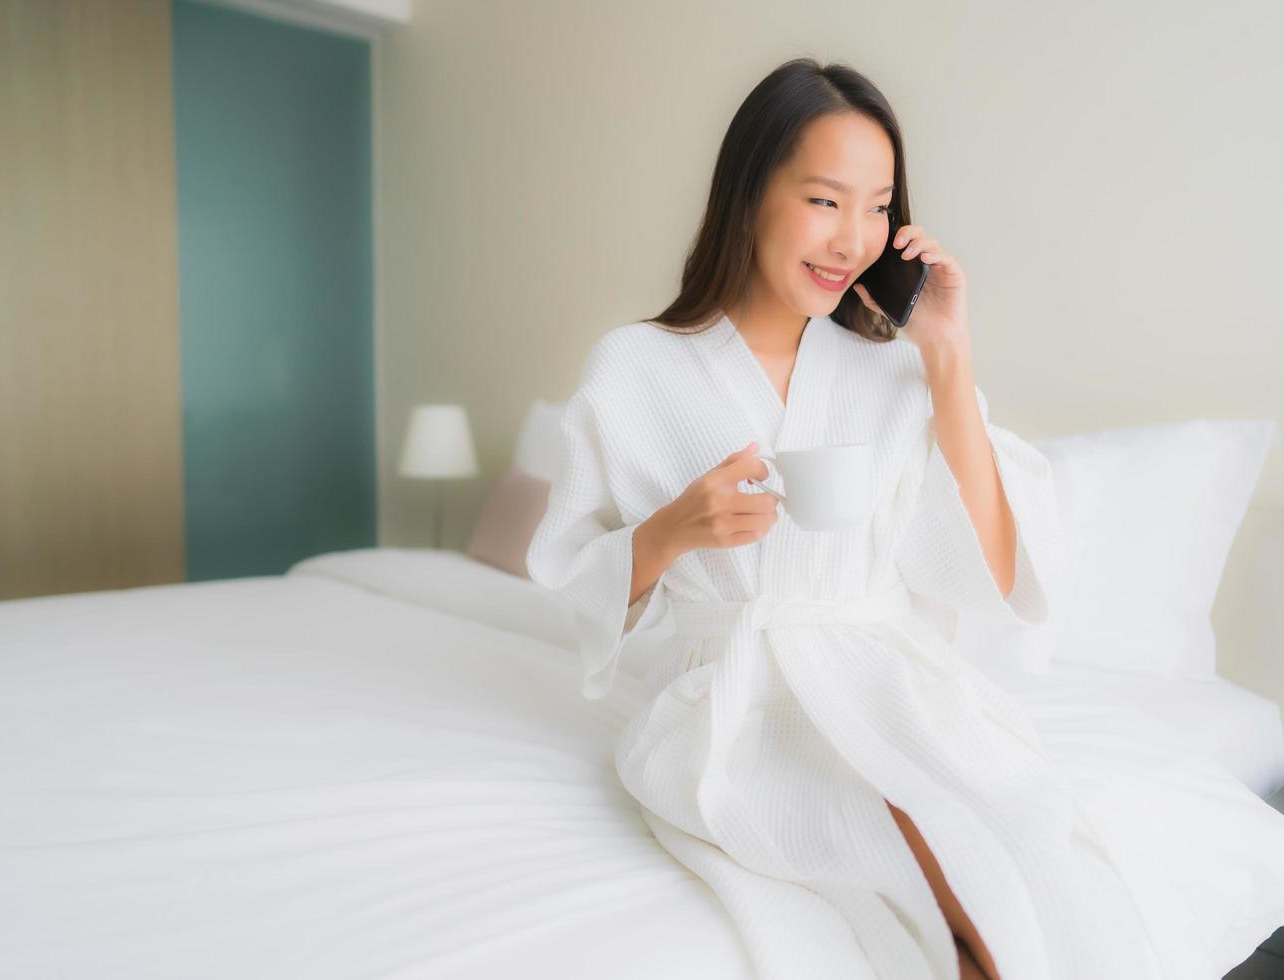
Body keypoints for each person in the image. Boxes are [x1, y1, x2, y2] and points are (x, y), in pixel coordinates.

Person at [525, 57, 1284, 980]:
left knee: (1019, 853)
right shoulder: (635, 369)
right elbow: (570, 587)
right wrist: (673, 531)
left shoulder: (887, 372)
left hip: (890, 685)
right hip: (734, 701)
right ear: (750, 192)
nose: (854, 238)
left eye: (878, 206)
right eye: (825, 200)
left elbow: (996, 570)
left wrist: (948, 357)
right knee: (891, 863)